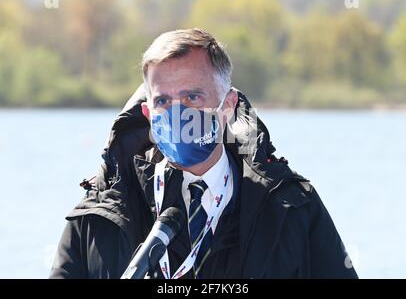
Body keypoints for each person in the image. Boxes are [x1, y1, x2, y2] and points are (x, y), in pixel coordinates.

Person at [50, 28, 358, 279]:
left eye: (193, 97)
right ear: (147, 113)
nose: (177, 113)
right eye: (163, 101)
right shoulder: (99, 213)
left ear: (227, 106)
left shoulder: (292, 206)